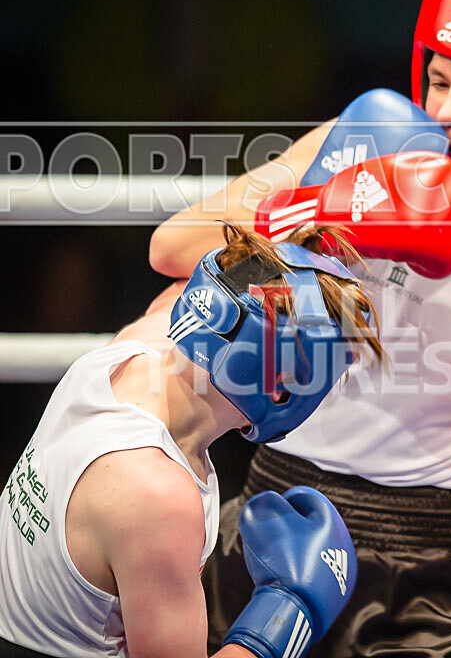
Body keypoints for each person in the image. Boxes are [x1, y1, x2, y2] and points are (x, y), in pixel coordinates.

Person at [148, 0, 451, 657]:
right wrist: (324, 204)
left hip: (422, 567)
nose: (448, 111)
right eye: (439, 81)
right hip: (279, 505)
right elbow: (174, 246)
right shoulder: (359, 146)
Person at [0, 224, 386, 658]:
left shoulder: (131, 351)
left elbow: (190, 264)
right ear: (281, 390)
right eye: (329, 379)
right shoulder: (157, 493)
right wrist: (287, 616)